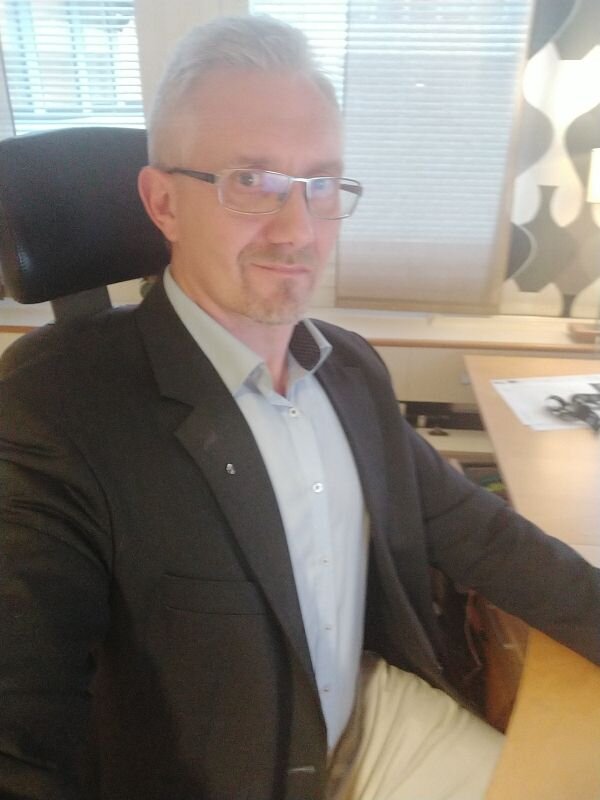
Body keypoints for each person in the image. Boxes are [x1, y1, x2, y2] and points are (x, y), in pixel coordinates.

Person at [1, 14, 599, 800]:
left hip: (366, 727)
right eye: (251, 181)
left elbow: (484, 534)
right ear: (164, 203)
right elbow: (22, 723)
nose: (298, 229)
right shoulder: (55, 410)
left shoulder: (348, 369)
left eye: (321, 184)